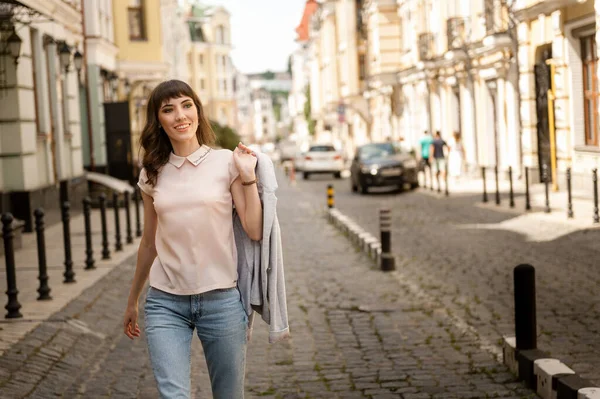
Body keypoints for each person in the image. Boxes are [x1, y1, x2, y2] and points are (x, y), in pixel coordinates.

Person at [122, 79, 263, 399]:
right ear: (158, 121)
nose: (180, 115)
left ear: (198, 112)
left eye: (186, 105)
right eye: (168, 109)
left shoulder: (225, 161)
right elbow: (149, 242)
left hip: (222, 301)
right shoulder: (152, 171)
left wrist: (248, 176)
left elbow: (253, 229)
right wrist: (133, 300)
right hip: (165, 303)